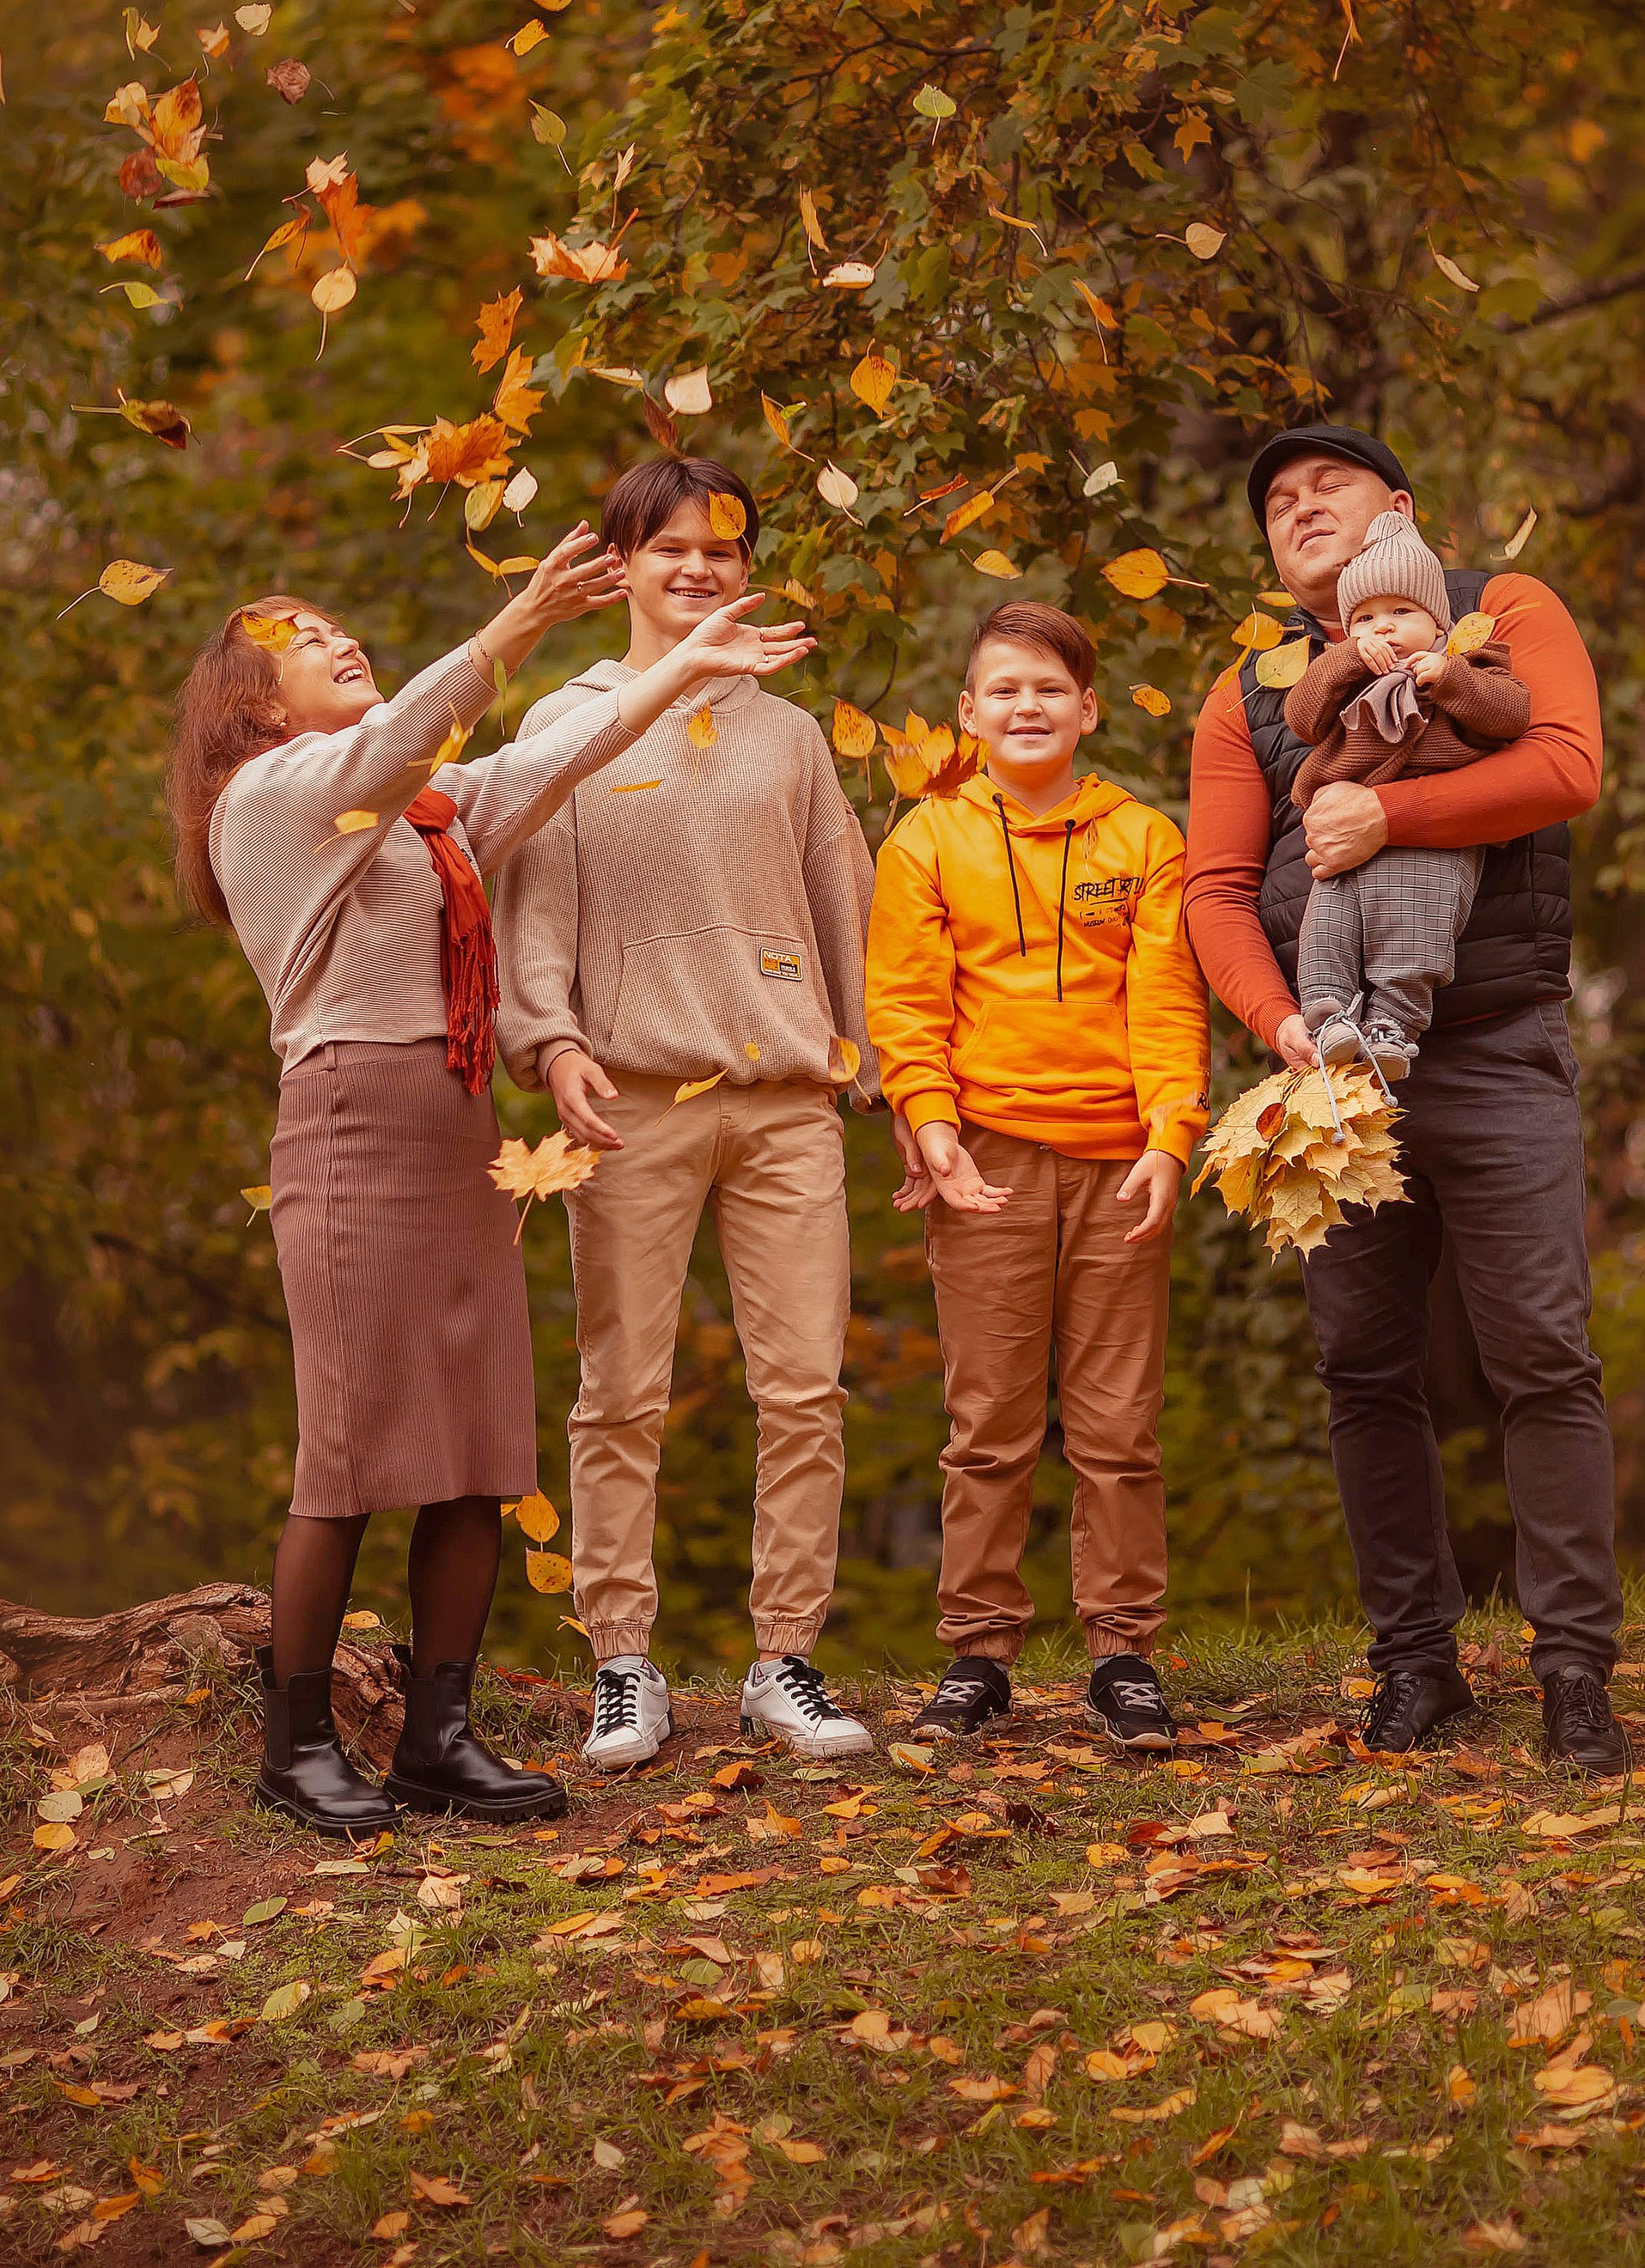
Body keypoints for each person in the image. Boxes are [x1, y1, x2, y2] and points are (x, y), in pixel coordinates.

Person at [168, 523, 813, 1835]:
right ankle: (297, 1749)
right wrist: (520, 623)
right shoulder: (275, 799)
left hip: (458, 1131)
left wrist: (682, 667)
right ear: (255, 703)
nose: (340, 640)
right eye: (303, 641)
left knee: (478, 1451)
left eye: (336, 625)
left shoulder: (421, 817)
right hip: (351, 1128)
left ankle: (437, 1742)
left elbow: (543, 760)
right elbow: (401, 740)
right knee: (347, 1459)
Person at [1184, 428, 1628, 1774]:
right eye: (1278, 502)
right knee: (1364, 1369)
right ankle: (1417, 1667)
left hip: (1495, 1050)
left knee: (1541, 1355)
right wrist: (1282, 1031)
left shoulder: (1501, 615)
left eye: (1329, 486)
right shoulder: (1251, 693)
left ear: (1403, 509)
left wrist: (1392, 821)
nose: (1299, 507)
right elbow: (1214, 891)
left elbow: (1566, 767)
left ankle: (1574, 1672)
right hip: (1337, 1078)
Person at [497, 456, 878, 1768]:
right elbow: (531, 903)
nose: (698, 568)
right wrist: (549, 1041)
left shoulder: (791, 733)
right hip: (632, 1098)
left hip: (784, 1100)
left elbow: (843, 898)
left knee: (806, 1390)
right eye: (670, 547)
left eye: (721, 547)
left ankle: (786, 1662)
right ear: (623, 566)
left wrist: (874, 1065)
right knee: (620, 1393)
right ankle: (623, 1663)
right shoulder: (571, 720)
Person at [865, 602, 1209, 1747]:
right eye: (1004, 690)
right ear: (969, 713)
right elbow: (906, 1005)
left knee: (1117, 1427)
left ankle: (1124, 1655)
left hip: (1121, 1163)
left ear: (1088, 710)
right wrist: (930, 1123)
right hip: (986, 1160)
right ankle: (978, 1655)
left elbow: (1166, 1000)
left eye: (1050, 689)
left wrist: (1170, 1136)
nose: (1027, 707)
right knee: (989, 1423)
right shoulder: (925, 841)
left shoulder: (1144, 840)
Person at [1285, 506, 1532, 1085]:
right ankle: (1329, 1017)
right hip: (1342, 842)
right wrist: (1346, 659)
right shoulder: (1344, 675)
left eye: (1401, 612)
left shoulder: (1468, 665)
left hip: (1431, 838)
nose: (1383, 628)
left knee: (1418, 927)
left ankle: (1392, 1025)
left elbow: (1512, 713)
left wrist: (1449, 678)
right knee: (1326, 926)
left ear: (1437, 620)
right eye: (1365, 619)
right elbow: (1300, 717)